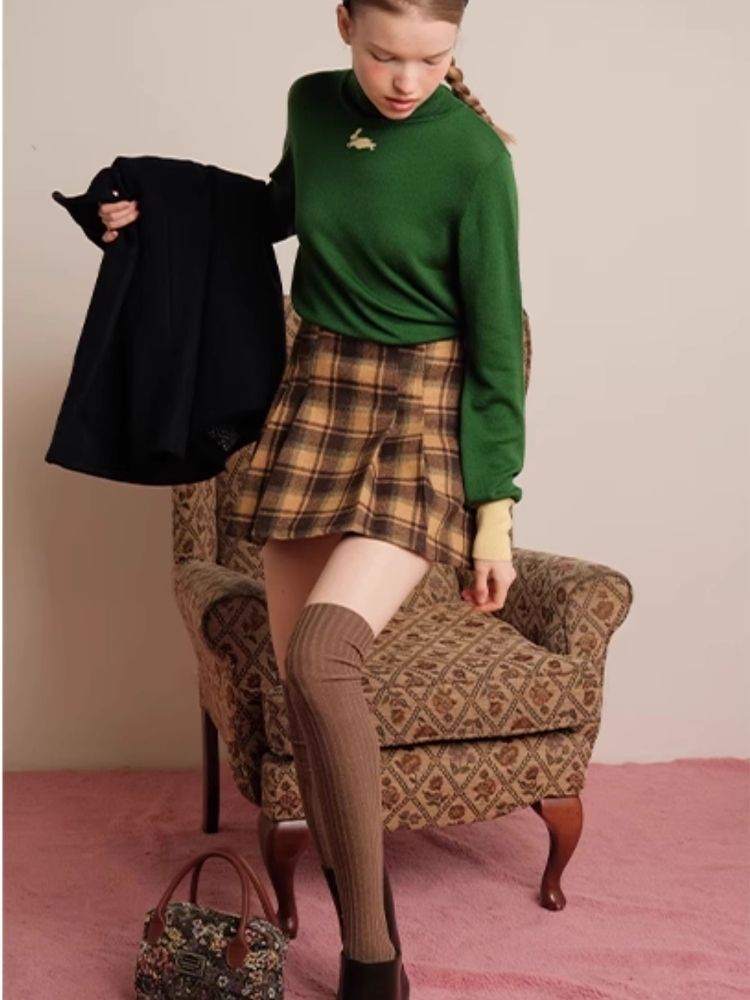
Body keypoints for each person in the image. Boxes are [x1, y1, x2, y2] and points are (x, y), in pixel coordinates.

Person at [99, 2, 526, 996]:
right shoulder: (311, 106)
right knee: (306, 692)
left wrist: (494, 515)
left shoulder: (474, 160)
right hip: (320, 390)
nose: (406, 81)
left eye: (432, 59)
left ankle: (372, 959)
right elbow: (273, 212)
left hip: (422, 408)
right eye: (384, 54)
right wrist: (147, 202)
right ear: (342, 24)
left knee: (324, 653)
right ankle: (367, 921)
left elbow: (498, 343)